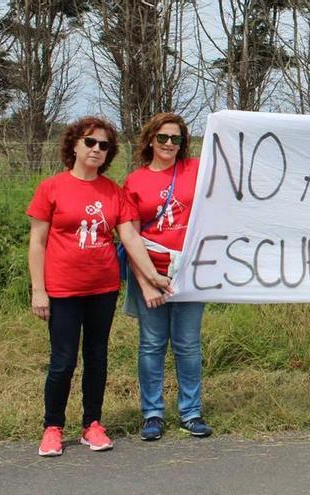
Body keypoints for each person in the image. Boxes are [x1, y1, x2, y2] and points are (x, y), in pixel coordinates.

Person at [28, 116, 171, 457]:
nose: (96, 150)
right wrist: (38, 290)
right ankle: (53, 427)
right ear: (74, 145)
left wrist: (152, 275)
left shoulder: (113, 191)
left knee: (96, 357)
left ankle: (92, 424)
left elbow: (130, 237)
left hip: (102, 288)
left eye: (104, 145)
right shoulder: (51, 187)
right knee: (62, 360)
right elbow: (37, 242)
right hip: (62, 290)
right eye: (90, 142)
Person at [123, 112, 213, 440]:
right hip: (150, 271)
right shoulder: (135, 181)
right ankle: (153, 413)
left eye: (176, 139)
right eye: (163, 138)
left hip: (190, 271)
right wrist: (146, 282)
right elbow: (129, 236)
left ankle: (191, 411)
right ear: (150, 139)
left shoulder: (195, 169)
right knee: (152, 344)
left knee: (188, 344)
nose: (169, 144)